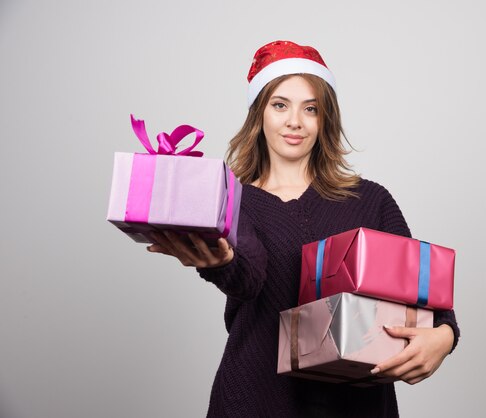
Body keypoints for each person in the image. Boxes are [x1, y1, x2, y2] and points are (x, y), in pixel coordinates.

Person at [148, 40, 460, 418]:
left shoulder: (370, 200)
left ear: (324, 119)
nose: (294, 121)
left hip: (357, 406)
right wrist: (219, 262)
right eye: (280, 105)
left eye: (309, 109)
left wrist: (445, 337)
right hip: (255, 400)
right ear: (258, 114)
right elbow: (248, 276)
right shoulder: (233, 203)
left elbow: (428, 296)